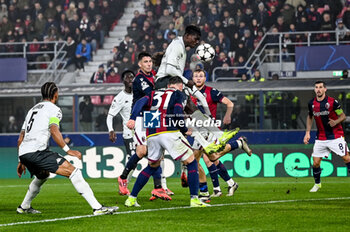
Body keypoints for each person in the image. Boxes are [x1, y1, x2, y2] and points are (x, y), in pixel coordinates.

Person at [16, 82, 118, 215]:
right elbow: (54, 130)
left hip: (25, 152)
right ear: (55, 94)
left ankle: (24, 207)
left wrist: (21, 160)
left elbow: (21, 138)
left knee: (43, 174)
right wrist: (68, 150)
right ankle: (97, 208)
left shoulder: (31, 110)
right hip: (37, 152)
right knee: (74, 172)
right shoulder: (54, 109)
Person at [124, 76, 209, 207]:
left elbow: (139, 103)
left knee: (152, 166)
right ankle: (194, 199)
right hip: (169, 132)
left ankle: (131, 198)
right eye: (182, 87)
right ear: (178, 86)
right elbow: (177, 111)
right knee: (191, 161)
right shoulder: (177, 94)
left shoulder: (153, 93)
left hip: (152, 134)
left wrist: (132, 118)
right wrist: (184, 129)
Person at [117, 52, 171, 200]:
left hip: (153, 116)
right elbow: (152, 95)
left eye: (150, 61)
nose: (149, 64)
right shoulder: (140, 79)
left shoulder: (154, 75)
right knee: (141, 151)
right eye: (145, 62)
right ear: (140, 64)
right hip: (140, 117)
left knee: (157, 151)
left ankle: (158, 188)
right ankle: (123, 177)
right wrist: (133, 118)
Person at [190, 69, 251, 200]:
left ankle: (205, 192)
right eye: (196, 76)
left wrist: (228, 116)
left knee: (198, 159)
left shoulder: (212, 92)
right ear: (192, 78)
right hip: (197, 130)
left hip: (209, 130)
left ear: (205, 78)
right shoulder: (190, 93)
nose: (198, 78)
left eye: (201, 76)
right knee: (211, 158)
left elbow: (230, 103)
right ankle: (228, 184)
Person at [303, 81, 350, 192]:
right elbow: (310, 116)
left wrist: (336, 121)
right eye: (316, 87)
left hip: (336, 136)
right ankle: (317, 184)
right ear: (314, 89)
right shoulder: (312, 104)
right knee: (315, 163)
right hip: (321, 138)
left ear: (325, 89)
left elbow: (343, 116)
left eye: (320, 87)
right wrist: (307, 132)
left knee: (346, 158)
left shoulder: (332, 102)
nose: (318, 89)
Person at [107, 70, 136, 184]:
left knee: (156, 158)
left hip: (143, 132)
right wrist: (111, 130)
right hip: (129, 132)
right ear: (123, 81)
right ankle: (124, 182)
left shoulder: (139, 93)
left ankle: (161, 186)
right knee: (133, 157)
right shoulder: (120, 98)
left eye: (132, 77)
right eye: (127, 77)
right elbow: (110, 116)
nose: (130, 79)